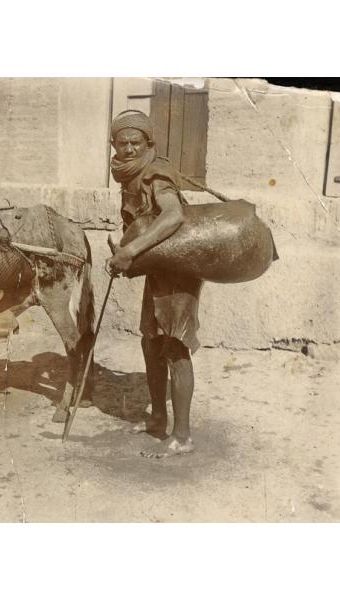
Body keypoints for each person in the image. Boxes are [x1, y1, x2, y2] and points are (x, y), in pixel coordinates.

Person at [107, 109, 203, 458]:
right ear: (113, 146)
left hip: (178, 272)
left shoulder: (155, 175)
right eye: (122, 143)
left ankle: (183, 435)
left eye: (136, 142)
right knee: (151, 342)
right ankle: (158, 420)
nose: (129, 149)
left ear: (148, 143)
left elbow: (174, 215)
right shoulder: (128, 176)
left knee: (174, 347)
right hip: (158, 270)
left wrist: (129, 250)